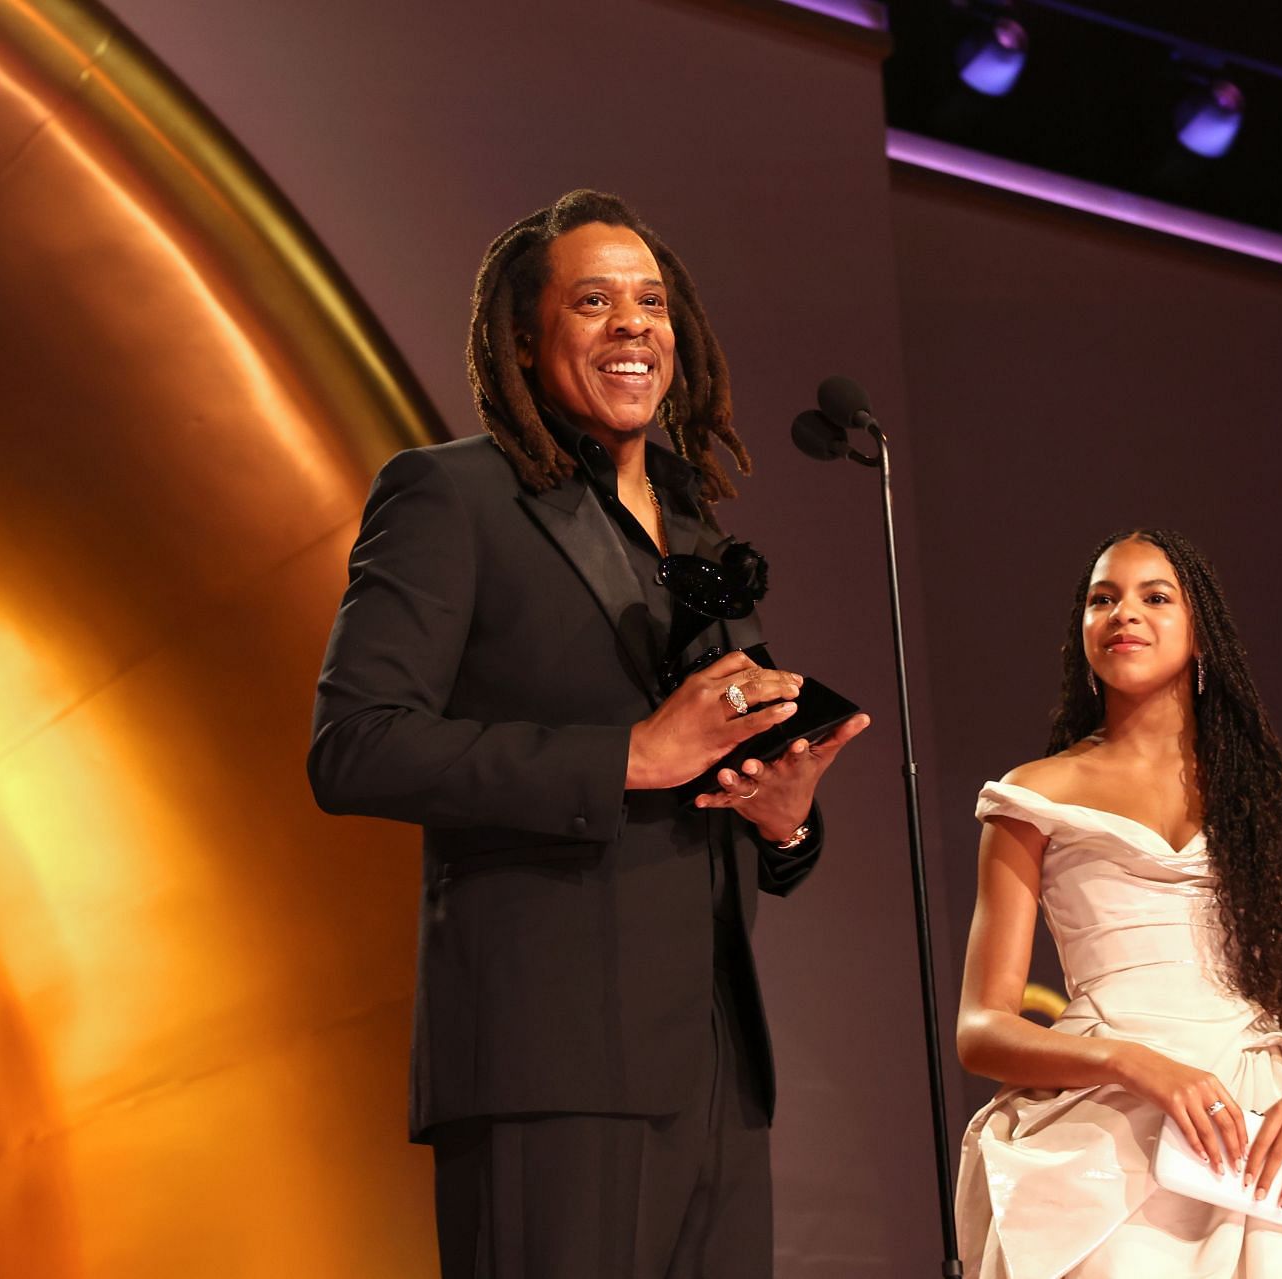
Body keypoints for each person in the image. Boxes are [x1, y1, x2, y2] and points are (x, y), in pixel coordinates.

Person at [307, 188, 868, 1279]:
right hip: (546, 1060)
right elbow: (356, 742)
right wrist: (628, 758)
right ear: (524, 335)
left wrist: (787, 824)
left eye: (651, 301)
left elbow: (727, 795)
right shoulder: (448, 495)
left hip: (714, 1066)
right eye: (595, 300)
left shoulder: (699, 533)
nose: (634, 325)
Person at [954, 529, 1282, 1277]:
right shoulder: (1032, 796)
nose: (1123, 614)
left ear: (1199, 630)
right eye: (1101, 599)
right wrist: (1134, 1063)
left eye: (1155, 596)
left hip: (1264, 1124)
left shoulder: (1279, 800)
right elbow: (982, 1029)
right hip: (1105, 1130)